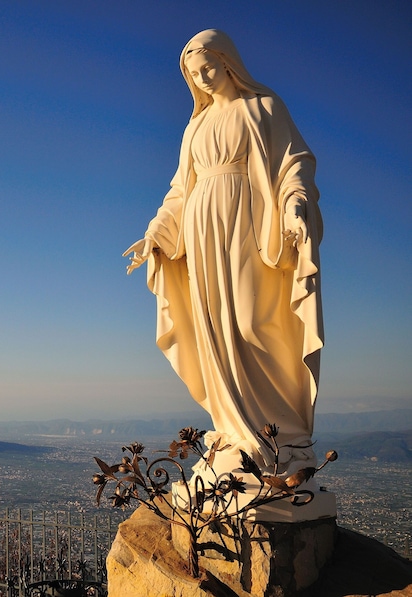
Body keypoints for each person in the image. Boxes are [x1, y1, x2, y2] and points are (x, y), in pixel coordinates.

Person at [123, 30, 323, 475]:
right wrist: (157, 232)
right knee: (214, 326)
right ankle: (234, 432)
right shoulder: (195, 126)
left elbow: (295, 163)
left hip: (249, 225)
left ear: (228, 61)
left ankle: (282, 436)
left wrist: (295, 205)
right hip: (201, 232)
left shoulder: (264, 109)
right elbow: (180, 189)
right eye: (194, 74)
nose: (203, 78)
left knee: (253, 320)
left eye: (208, 68)